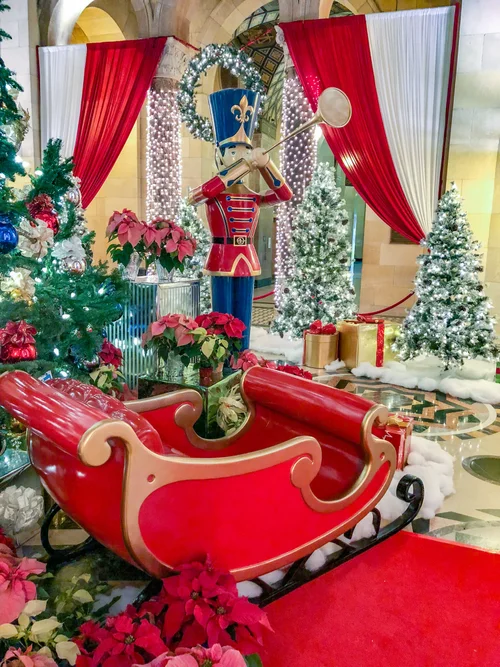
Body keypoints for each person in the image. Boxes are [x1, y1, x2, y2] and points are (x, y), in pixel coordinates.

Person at [188, 88, 292, 350]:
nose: (241, 155)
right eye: (233, 151)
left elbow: (284, 194)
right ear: (219, 155)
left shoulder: (254, 196)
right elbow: (201, 194)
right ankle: (221, 360)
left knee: (243, 317)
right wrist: (243, 166)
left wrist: (267, 165)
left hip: (247, 256)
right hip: (221, 257)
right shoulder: (213, 191)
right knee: (221, 317)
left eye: (245, 151)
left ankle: (242, 357)